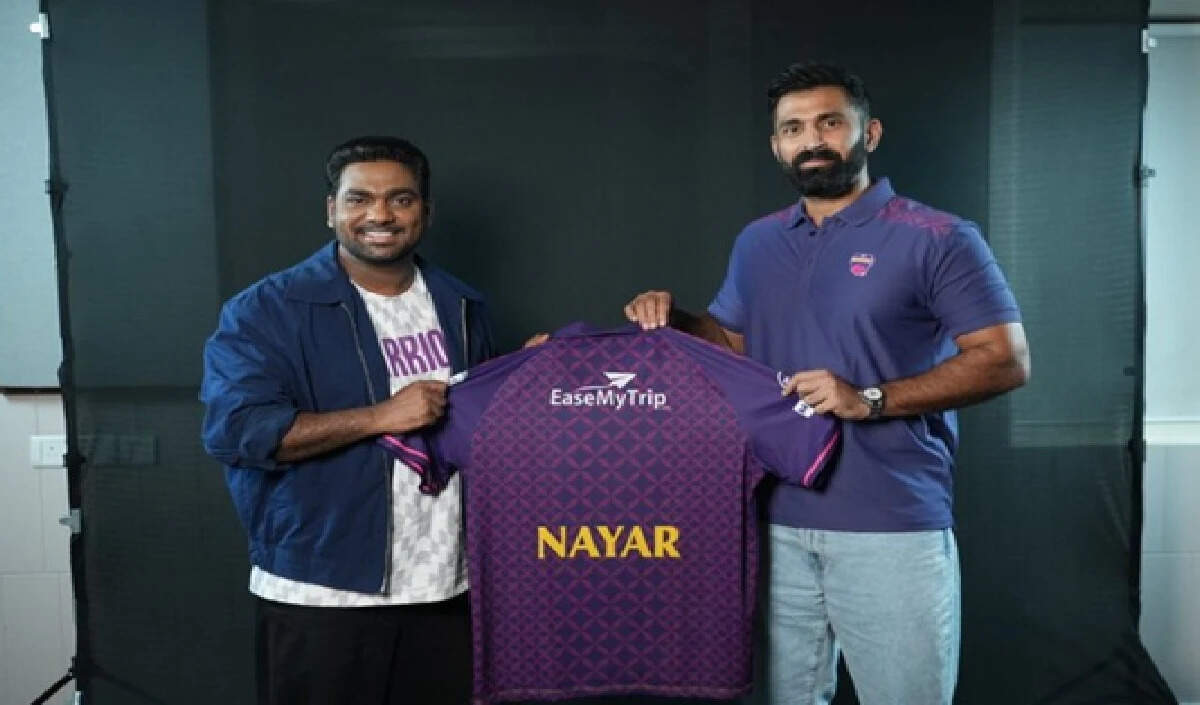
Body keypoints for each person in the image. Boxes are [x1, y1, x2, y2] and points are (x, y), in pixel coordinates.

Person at [624, 62, 1031, 705]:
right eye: (793, 129)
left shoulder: (939, 237)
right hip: (773, 520)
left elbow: (1004, 359)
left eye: (829, 123)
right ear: (776, 146)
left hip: (890, 524)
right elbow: (735, 345)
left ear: (870, 133)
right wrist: (673, 319)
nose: (811, 139)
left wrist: (871, 400)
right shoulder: (758, 242)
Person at [200, 136, 493, 705]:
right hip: (322, 593)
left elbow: (478, 431)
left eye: (401, 199)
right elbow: (237, 432)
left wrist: (529, 375)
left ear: (425, 212)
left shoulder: (461, 304)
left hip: (446, 588)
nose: (381, 215)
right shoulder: (265, 309)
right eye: (360, 199)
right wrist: (380, 417)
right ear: (331, 209)